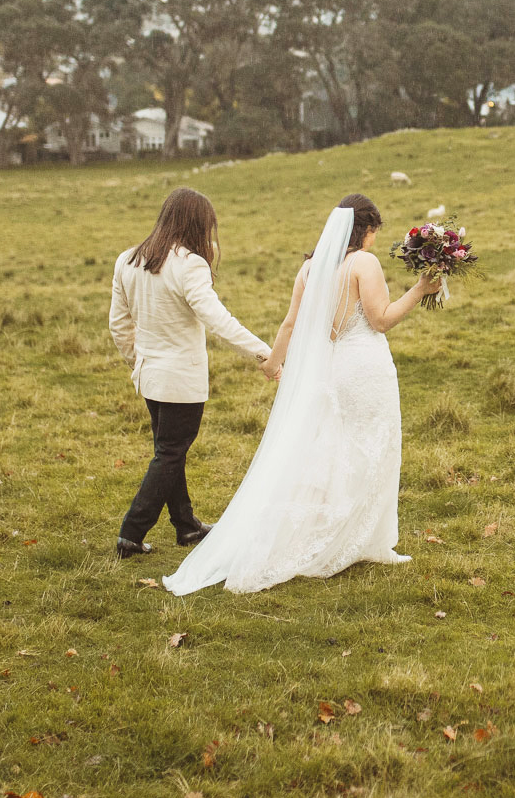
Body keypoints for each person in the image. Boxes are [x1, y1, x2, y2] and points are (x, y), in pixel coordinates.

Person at [163, 194, 441, 595]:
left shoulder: (311, 268)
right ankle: (358, 539)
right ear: (367, 229)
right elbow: (380, 320)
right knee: (370, 450)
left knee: (331, 452)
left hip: (329, 371)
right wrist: (419, 289)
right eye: (376, 232)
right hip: (365, 369)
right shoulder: (364, 263)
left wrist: (273, 363)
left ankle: (341, 534)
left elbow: (291, 324)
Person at [108, 187, 274, 559]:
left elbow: (119, 325)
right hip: (180, 381)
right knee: (170, 454)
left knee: (169, 451)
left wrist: (139, 362)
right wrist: (264, 353)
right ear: (197, 224)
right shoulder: (189, 264)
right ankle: (131, 534)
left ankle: (186, 526)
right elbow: (217, 319)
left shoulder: (128, 259)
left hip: (149, 376)